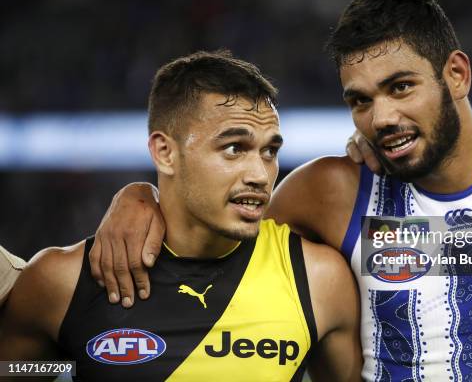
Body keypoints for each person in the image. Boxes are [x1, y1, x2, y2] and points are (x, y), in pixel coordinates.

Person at [91, 0, 472, 381]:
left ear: (456, 74)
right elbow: (208, 226)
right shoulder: (333, 190)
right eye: (360, 100)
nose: (380, 117)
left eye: (400, 87)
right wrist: (140, 196)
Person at [0, 51, 361, 381]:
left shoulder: (319, 280)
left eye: (269, 151)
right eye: (234, 148)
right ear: (165, 152)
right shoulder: (59, 282)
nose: (259, 174)